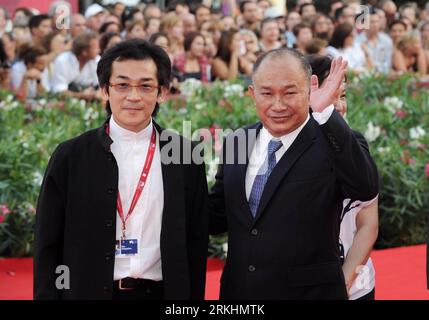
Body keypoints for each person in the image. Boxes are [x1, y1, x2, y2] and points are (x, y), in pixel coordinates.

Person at [34, 39, 209, 300]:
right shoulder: (71, 156)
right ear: (105, 90)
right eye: (122, 85)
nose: (134, 96)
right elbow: (48, 242)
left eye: (146, 86)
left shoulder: (185, 156)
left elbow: (195, 243)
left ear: (162, 92)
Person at [208, 48, 379, 300]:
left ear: (308, 91)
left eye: (289, 92)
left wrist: (325, 115)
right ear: (252, 94)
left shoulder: (335, 142)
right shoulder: (238, 141)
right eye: (267, 93)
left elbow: (364, 188)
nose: (278, 105)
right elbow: (218, 215)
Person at [307, 54, 379, 300]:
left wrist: (342, 284)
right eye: (330, 94)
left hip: (355, 288)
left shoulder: (354, 142)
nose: (339, 105)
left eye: (343, 95)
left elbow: (368, 224)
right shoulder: (280, 149)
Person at [51, 32, 100, 100]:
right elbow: (59, 92)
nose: (99, 50)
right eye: (95, 48)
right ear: (84, 52)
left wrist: (97, 93)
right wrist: (82, 95)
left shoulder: (97, 60)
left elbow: (100, 85)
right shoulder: (62, 61)